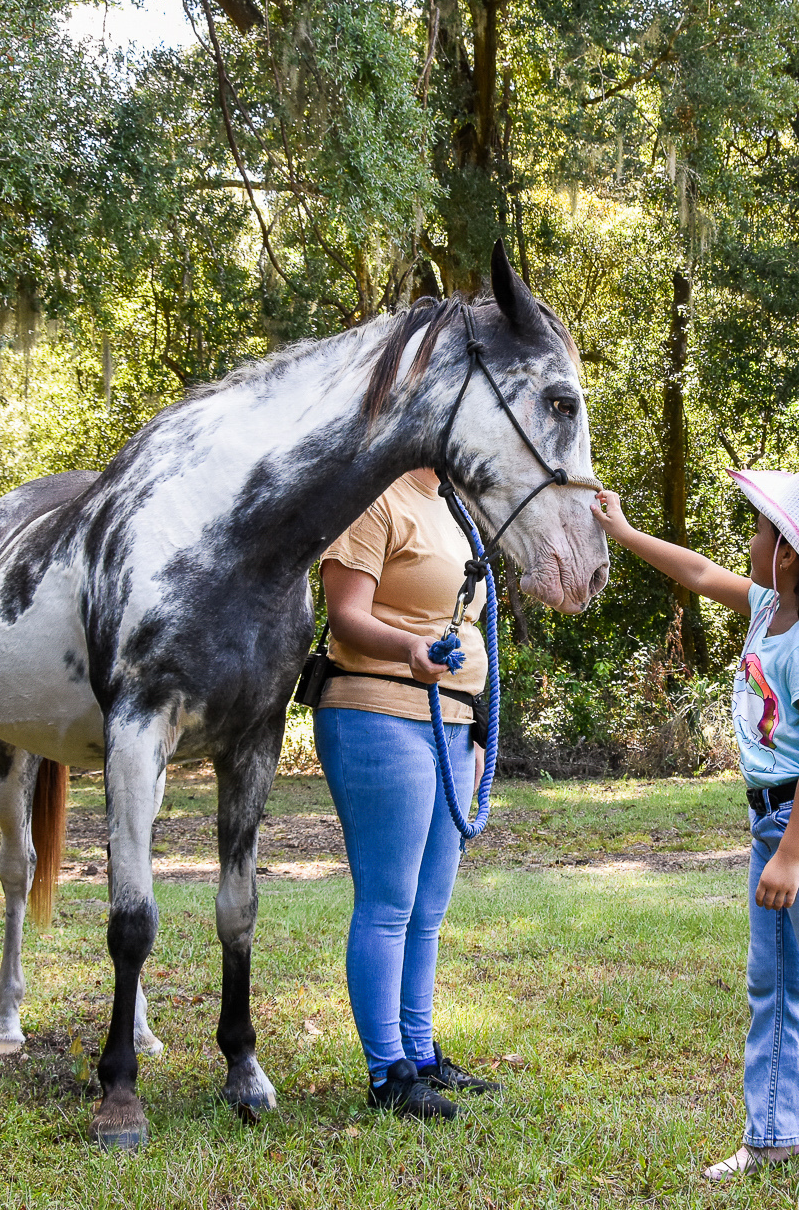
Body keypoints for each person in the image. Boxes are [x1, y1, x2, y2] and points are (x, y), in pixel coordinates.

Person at [593, 468, 799, 1182]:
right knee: (772, 982)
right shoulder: (765, 608)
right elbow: (696, 568)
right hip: (774, 825)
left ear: (788, 552)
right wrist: (622, 532)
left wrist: (793, 856)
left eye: (762, 530)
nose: (751, 539)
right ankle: (775, 1131)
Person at [315, 467, 499, 1121]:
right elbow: (346, 615)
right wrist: (412, 648)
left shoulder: (451, 501)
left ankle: (421, 1056)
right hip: (379, 713)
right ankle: (386, 1072)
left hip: (452, 720)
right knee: (390, 901)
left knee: (429, 906)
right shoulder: (370, 495)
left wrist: (473, 728)